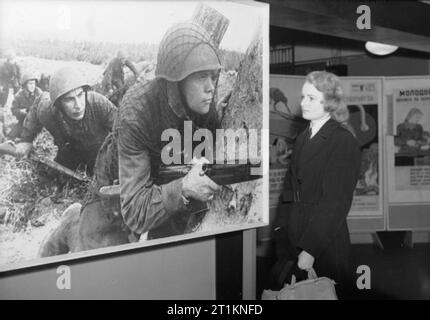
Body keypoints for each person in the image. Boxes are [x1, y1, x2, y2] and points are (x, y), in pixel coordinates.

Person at [38, 21, 228, 256]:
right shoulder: (136, 112)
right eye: (201, 77)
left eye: (213, 76)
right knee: (100, 264)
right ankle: (72, 222)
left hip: (160, 183)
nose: (211, 87)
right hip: (116, 189)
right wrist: (185, 187)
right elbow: (135, 212)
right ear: (176, 80)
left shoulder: (202, 102)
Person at [272, 71, 361, 299]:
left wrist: (311, 248)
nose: (302, 103)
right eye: (303, 96)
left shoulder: (342, 140)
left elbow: (336, 202)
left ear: (330, 102)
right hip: (293, 236)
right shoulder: (303, 136)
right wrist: (280, 228)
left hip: (324, 242)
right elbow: (289, 191)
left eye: (311, 98)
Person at [14, 66, 117, 175]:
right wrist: (26, 139)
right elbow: (37, 104)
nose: (78, 105)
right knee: (54, 181)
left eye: (80, 95)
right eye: (69, 99)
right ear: (58, 103)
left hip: (100, 154)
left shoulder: (99, 104)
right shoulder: (47, 110)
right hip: (69, 154)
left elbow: (125, 132)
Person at [9, 70, 43, 139]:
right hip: (23, 122)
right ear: (25, 85)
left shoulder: (39, 93)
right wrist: (21, 112)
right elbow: (13, 109)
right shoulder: (19, 96)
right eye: (30, 84)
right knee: (11, 137)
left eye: (33, 84)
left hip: (37, 123)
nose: (32, 86)